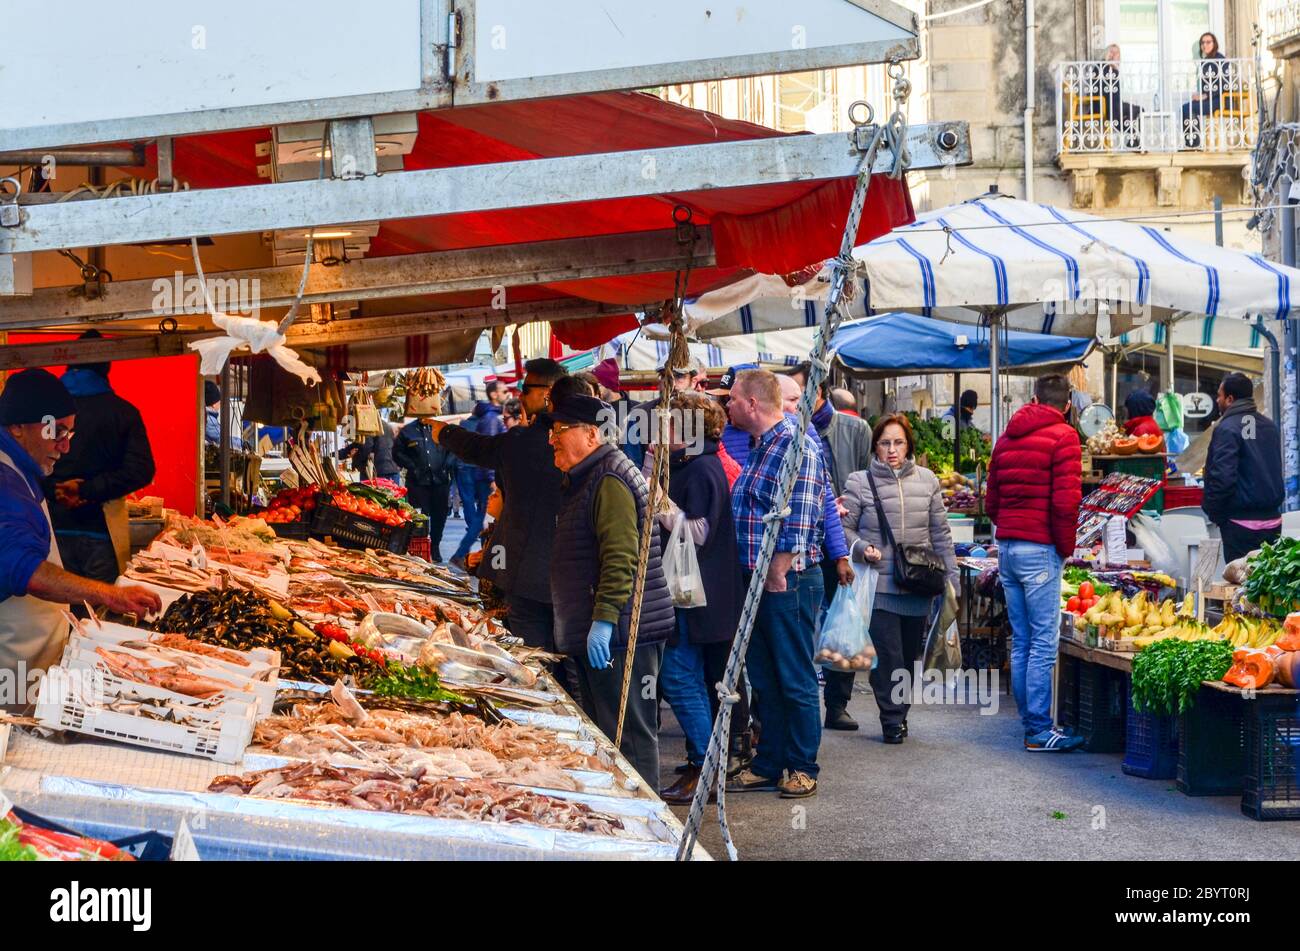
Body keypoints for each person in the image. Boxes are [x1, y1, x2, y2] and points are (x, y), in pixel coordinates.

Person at [0, 369, 161, 712]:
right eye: (55, 432)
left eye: (69, 432)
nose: (66, 445)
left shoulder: (20, 469)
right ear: (17, 427)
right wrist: (110, 594)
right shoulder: (4, 483)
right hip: (12, 666)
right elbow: (26, 571)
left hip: (33, 656)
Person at [547, 390, 675, 784]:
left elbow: (622, 558)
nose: (551, 439)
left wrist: (603, 620)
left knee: (630, 739)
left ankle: (650, 831)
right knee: (611, 736)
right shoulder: (593, 474)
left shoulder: (610, 478)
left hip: (621, 635)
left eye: (559, 429)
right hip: (606, 630)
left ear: (591, 434)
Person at [726, 369, 828, 799]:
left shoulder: (795, 445)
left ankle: (802, 766)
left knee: (796, 676)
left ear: (751, 404)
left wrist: (776, 574)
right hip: (760, 578)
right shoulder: (762, 445)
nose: (725, 405)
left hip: (788, 580)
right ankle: (769, 761)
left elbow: (801, 519)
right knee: (765, 677)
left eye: (731, 398)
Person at [427, 360, 570, 658]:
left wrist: (444, 434)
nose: (519, 395)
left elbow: (484, 448)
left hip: (532, 578)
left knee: (533, 661)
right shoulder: (547, 438)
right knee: (556, 663)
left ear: (548, 393)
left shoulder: (528, 440)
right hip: (561, 581)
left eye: (525, 388)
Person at [653, 391, 748, 804]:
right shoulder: (684, 464)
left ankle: (705, 767)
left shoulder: (704, 468)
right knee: (683, 675)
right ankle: (703, 764)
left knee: (678, 675)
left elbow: (699, 532)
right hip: (691, 593)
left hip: (695, 595)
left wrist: (658, 502)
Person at [840, 414, 958, 743]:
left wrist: (953, 579)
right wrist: (862, 548)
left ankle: (901, 714)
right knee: (887, 655)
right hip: (879, 585)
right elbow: (842, 529)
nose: (892, 450)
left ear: (909, 445)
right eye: (885, 443)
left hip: (918, 585)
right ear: (875, 446)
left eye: (899, 442)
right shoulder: (859, 482)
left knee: (907, 656)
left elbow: (941, 534)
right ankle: (891, 719)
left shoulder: (928, 480)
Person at [986, 374, 1084, 752]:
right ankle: (1039, 730)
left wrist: (1009, 527)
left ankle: (1031, 724)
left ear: (1033, 398)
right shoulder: (1064, 437)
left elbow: (991, 501)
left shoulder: (1006, 439)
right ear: (1067, 404)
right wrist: (1065, 547)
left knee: (1023, 639)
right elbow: (1065, 503)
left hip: (1008, 548)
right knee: (1043, 641)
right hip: (1040, 548)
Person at [777, 373, 860, 730]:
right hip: (800, 551)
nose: (796, 406)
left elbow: (827, 497)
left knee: (837, 624)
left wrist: (841, 552)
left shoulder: (851, 430)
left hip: (824, 544)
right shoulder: (781, 432)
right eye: (790, 399)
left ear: (818, 393)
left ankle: (837, 703)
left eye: (800, 398)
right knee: (806, 636)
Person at [48, 342, 156, 584]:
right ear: (106, 368)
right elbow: (141, 470)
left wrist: (55, 490)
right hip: (101, 532)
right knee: (101, 611)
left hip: (53, 530)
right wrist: (86, 490)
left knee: (59, 611)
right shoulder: (122, 412)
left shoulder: (46, 413)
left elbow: (28, 463)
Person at [1203, 372, 1284, 563]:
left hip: (1239, 525)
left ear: (1230, 399)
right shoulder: (1269, 426)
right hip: (1273, 521)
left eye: (1220, 395)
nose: (1217, 400)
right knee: (1267, 585)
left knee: (1240, 587)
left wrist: (1214, 512)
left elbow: (1222, 477)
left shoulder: (1227, 428)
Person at [448, 382, 507, 570]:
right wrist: (491, 479)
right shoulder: (491, 418)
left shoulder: (491, 415)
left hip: (480, 475)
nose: (507, 394)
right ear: (494, 394)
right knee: (483, 517)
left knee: (481, 517)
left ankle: (470, 555)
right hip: (486, 478)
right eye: (504, 391)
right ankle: (462, 555)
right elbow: (489, 453)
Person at [392, 415, 457, 562]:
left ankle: (435, 546)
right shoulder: (407, 431)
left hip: (440, 481)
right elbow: (397, 453)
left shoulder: (442, 428)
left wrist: (447, 465)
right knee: (420, 517)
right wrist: (412, 466)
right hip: (417, 482)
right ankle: (421, 548)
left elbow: (453, 450)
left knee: (439, 517)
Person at [1182, 32, 1227, 149]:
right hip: (1211, 98)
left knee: (1187, 108)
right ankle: (1193, 143)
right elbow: (1207, 86)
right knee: (1187, 108)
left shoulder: (1220, 59)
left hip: (1220, 99)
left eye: (1208, 42)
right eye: (1202, 42)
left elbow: (1225, 85)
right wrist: (1200, 95)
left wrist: (1205, 96)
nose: (1205, 45)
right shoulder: (1206, 61)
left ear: (1214, 44)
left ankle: (1193, 144)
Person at [353, 421, 402, 485]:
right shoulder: (386, 425)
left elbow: (367, 447)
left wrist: (355, 462)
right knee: (393, 494)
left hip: (378, 472)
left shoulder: (369, 424)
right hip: (392, 469)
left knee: (374, 494)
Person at [203, 380, 243, 450]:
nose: (220, 402)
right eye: (219, 400)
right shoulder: (208, 420)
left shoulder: (208, 417)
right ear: (213, 403)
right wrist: (242, 444)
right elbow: (222, 440)